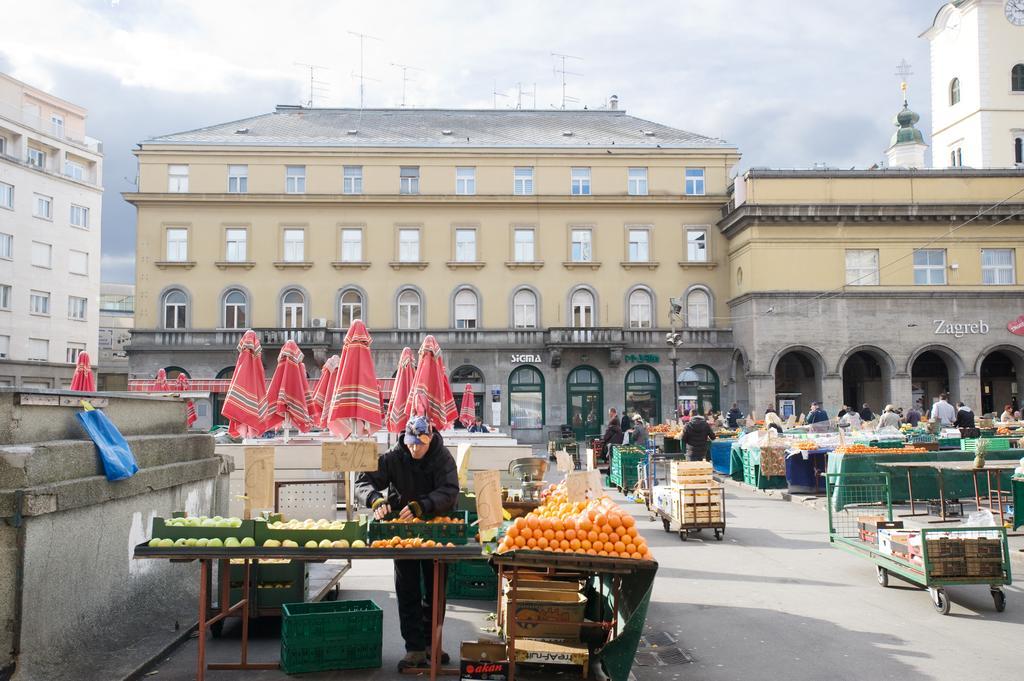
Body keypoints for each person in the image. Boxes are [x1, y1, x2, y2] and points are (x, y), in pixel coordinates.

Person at [355, 416, 459, 671]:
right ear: (406, 439)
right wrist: (375, 500)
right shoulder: (394, 456)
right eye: (412, 444)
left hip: (437, 531)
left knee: (435, 592)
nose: (415, 450)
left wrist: (422, 505)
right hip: (403, 534)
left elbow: (449, 491)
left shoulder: (442, 458)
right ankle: (413, 648)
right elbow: (362, 480)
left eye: (420, 445)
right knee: (407, 589)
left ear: (430, 439)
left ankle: (431, 644)